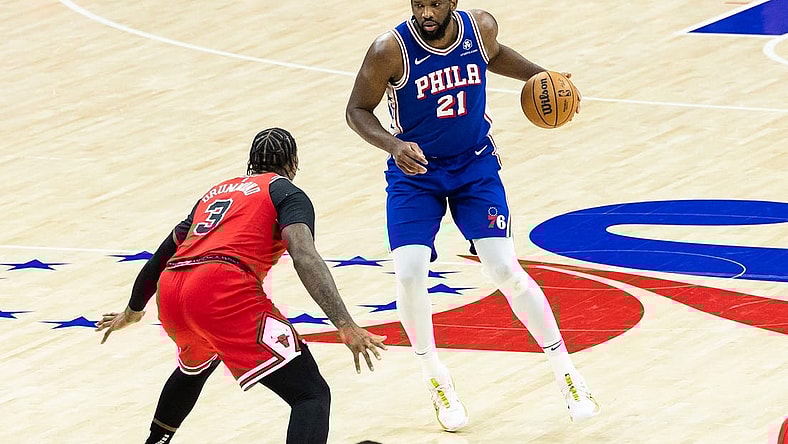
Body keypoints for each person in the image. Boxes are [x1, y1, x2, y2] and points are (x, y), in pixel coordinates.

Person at [345, 0, 600, 432]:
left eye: (435, 4)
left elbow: (494, 54)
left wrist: (542, 77)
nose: (426, 13)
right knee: (408, 273)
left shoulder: (478, 28)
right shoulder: (389, 49)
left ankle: (568, 373)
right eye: (418, 4)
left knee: (505, 269)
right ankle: (435, 378)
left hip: (474, 166)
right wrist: (392, 145)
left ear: (453, 3)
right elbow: (356, 111)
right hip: (416, 172)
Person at [96, 127, 388, 444]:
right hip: (221, 289)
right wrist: (344, 324)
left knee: (195, 366)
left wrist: (133, 310)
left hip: (173, 290)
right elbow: (304, 255)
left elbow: (160, 257)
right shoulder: (286, 193)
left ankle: (155, 441)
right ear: (293, 163)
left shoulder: (215, 193)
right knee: (310, 394)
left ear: (251, 163)